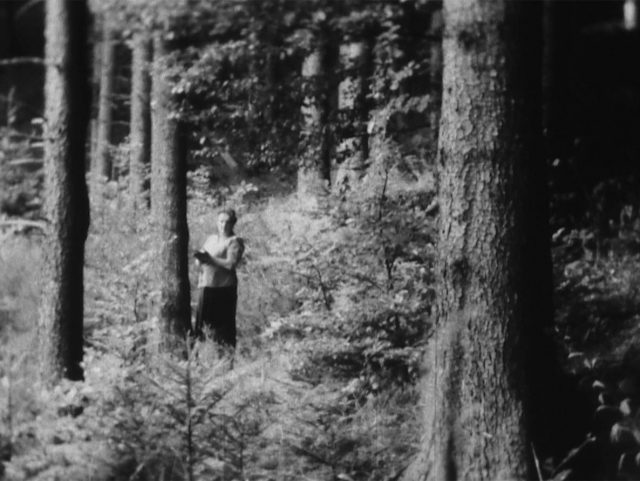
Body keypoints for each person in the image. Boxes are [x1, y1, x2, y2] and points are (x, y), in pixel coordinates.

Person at [194, 208, 244, 348]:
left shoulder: (234, 241)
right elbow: (202, 256)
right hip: (206, 286)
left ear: (233, 224)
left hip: (223, 289)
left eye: (227, 222)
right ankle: (201, 359)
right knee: (202, 328)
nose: (223, 225)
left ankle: (226, 361)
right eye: (221, 222)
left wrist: (209, 259)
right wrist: (200, 260)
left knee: (223, 330)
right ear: (217, 223)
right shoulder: (211, 239)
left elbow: (231, 264)